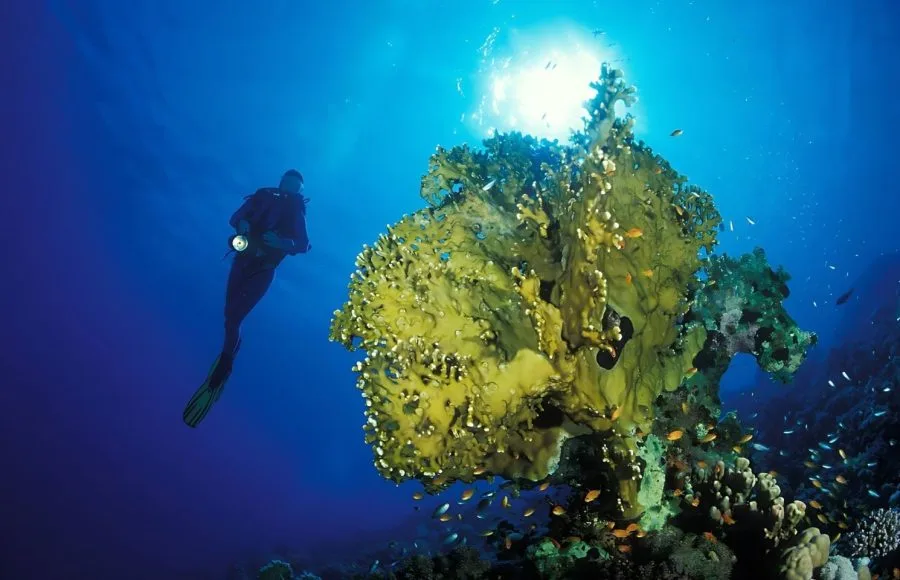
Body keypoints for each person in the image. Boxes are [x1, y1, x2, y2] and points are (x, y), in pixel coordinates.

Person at [183, 169, 311, 427]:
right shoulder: (261, 197)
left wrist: (280, 241)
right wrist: (242, 225)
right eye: (287, 183)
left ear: (299, 190)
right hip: (242, 260)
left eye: (294, 186)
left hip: (264, 269)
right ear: (280, 181)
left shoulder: (296, 210)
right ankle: (229, 353)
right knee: (228, 316)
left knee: (234, 318)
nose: (289, 188)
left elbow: (303, 244)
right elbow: (235, 217)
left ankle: (226, 361)